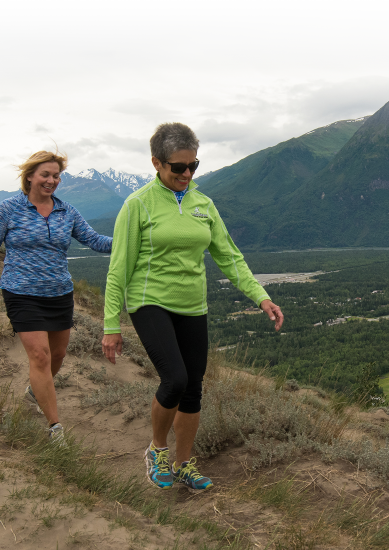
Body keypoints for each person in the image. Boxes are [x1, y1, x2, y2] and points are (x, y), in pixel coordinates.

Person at [101, 122, 284, 492]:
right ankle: (157, 450)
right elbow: (119, 267)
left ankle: (184, 464)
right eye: (178, 167)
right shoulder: (137, 205)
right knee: (176, 379)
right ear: (156, 163)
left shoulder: (204, 205)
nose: (186, 174)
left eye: (193, 166)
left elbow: (230, 257)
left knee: (194, 387)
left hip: (192, 305)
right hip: (149, 300)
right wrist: (110, 324)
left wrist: (260, 296)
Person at [0, 150, 113, 443]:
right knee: (40, 356)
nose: (51, 181)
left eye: (56, 176)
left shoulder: (68, 212)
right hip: (21, 292)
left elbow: (95, 241)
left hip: (59, 293)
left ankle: (35, 391)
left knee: (58, 355)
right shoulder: (8, 209)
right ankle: (55, 428)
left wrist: (131, 242)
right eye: (45, 175)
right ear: (29, 177)